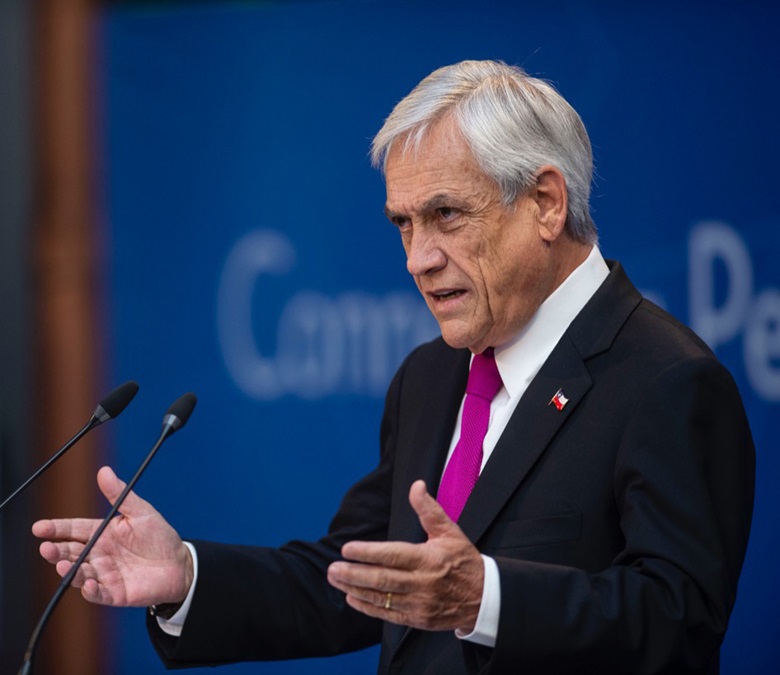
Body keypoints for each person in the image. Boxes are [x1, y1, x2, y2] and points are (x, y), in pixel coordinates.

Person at [33, 60, 755, 674]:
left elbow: (680, 622)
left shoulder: (667, 379)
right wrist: (186, 575)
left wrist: (486, 598)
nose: (418, 259)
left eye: (447, 215)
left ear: (545, 202)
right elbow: (352, 578)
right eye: (403, 224)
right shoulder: (431, 375)